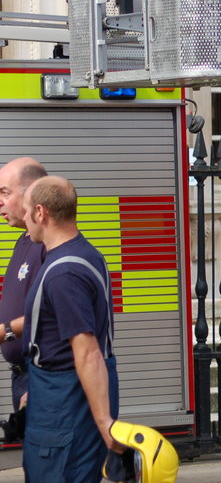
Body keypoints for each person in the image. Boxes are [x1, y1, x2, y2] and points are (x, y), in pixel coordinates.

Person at [21, 176, 120, 482]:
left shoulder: (64, 274)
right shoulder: (86, 254)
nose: (23, 218)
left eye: (26, 211)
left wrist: (105, 424)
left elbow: (88, 352)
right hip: (53, 399)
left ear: (41, 213)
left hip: (65, 411)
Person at [0, 157, 47, 411]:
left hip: (39, 374)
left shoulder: (48, 246)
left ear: (31, 194)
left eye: (5, 192)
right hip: (23, 376)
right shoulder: (24, 241)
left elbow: (49, 315)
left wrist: (4, 331)